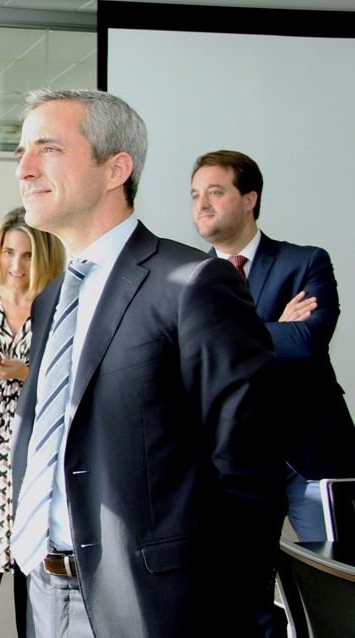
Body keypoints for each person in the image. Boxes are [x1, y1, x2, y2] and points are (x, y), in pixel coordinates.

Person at [7, 89, 282, 637]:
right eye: (20, 152)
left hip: (155, 606)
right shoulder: (51, 297)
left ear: (117, 169)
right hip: (42, 590)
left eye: (48, 149)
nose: (25, 169)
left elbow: (248, 469)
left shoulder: (191, 285)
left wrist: (230, 612)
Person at [191, 149, 355, 544]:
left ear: (250, 200)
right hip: (232, 462)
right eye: (195, 195)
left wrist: (227, 338)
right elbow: (191, 357)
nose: (202, 204)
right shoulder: (186, 278)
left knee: (342, 578)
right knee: (244, 592)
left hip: (311, 455)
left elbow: (307, 342)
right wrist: (273, 329)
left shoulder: (305, 262)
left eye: (215, 192)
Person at [0, 208, 65, 638]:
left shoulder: (56, 308)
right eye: (9, 252)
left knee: (32, 586)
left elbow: (70, 381)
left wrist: (22, 372)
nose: (16, 266)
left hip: (34, 463)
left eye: (26, 255)